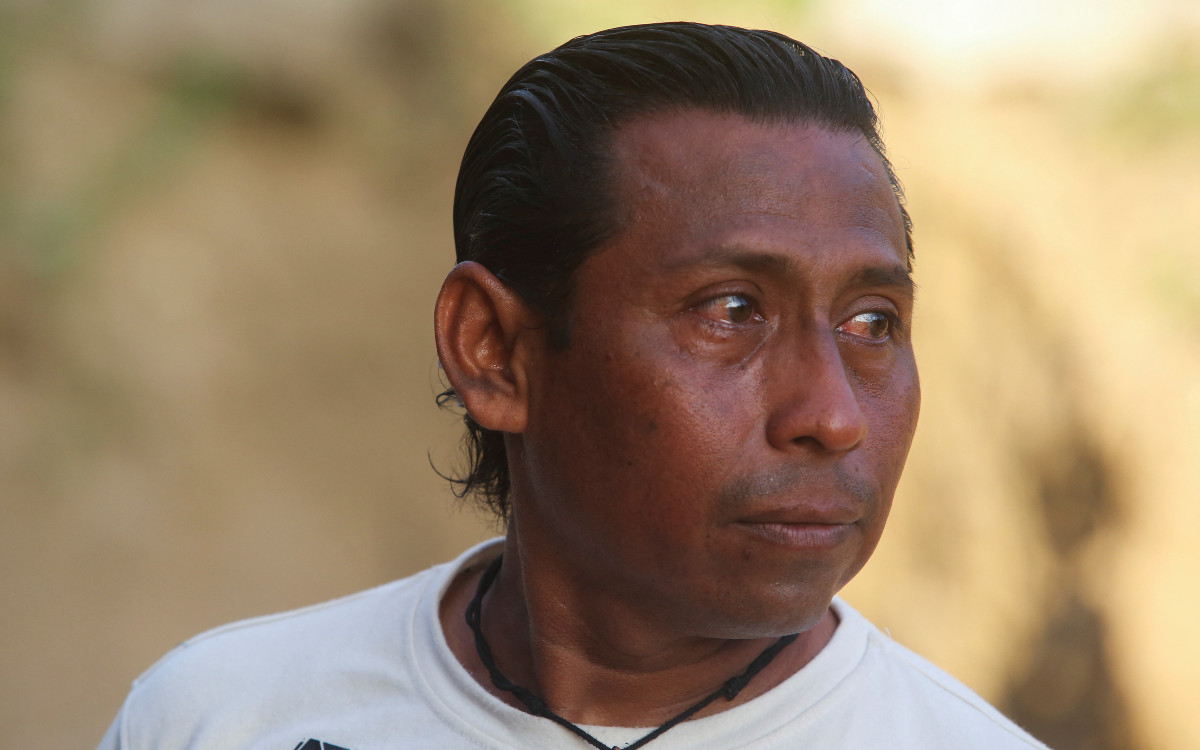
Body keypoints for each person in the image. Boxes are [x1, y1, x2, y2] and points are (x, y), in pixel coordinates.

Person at [98, 22, 1049, 750]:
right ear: (494, 352)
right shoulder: (223, 717)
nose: (832, 415)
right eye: (729, 311)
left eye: (872, 323)